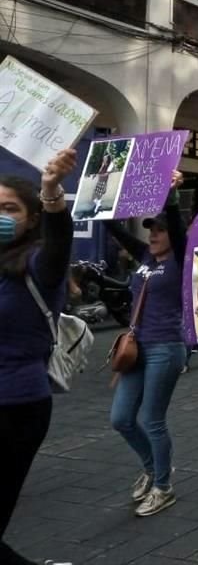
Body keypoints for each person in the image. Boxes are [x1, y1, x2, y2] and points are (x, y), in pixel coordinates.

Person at [0, 150, 77, 565]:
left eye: (9, 208)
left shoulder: (36, 265)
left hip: (15, 408)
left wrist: (51, 194)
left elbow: (58, 245)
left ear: (30, 220)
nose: (0, 215)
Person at [105, 171, 188, 517]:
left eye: (159, 230)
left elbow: (178, 227)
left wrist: (170, 193)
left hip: (166, 348)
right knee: (121, 418)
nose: (152, 235)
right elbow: (116, 229)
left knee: (152, 419)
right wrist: (102, 195)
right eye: (150, 229)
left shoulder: (182, 259)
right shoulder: (145, 258)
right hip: (137, 347)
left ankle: (163, 488)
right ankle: (155, 467)